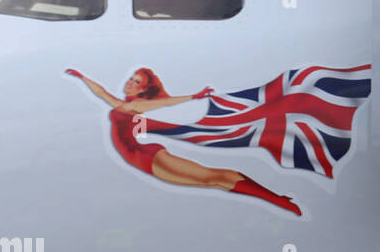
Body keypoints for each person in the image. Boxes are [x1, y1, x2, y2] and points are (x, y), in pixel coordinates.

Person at [67, 67, 301, 215]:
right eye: (131, 78)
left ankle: (279, 200)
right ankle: (278, 200)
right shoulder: (124, 104)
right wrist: (82, 77)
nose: (130, 82)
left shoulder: (137, 105)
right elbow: (101, 93)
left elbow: (164, 103)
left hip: (145, 155)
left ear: (143, 90)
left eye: (136, 81)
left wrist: (194, 96)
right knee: (213, 181)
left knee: (214, 177)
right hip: (140, 159)